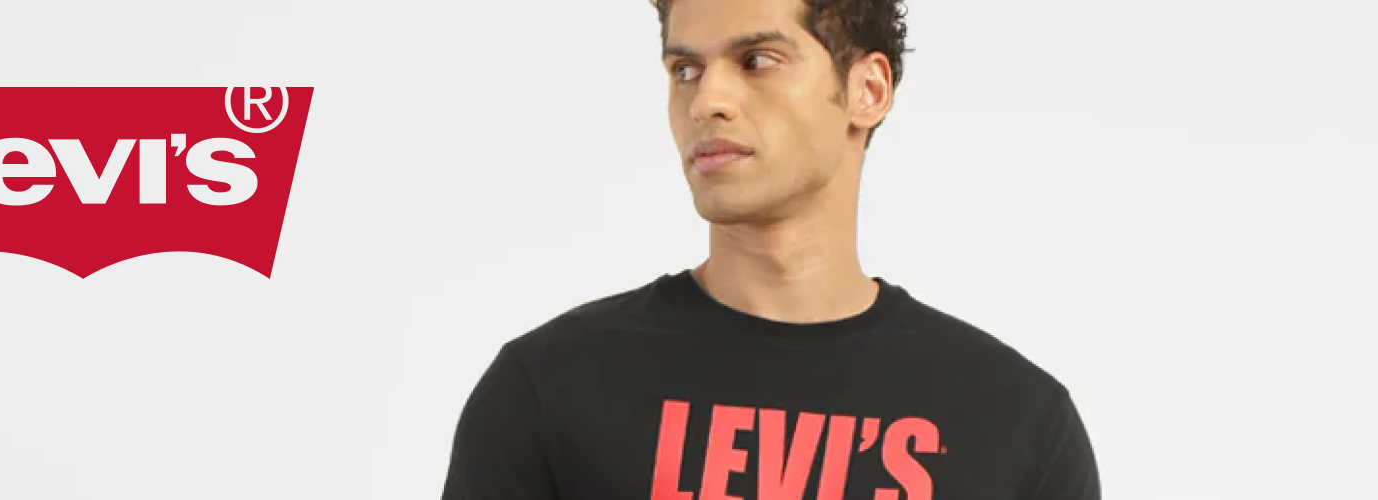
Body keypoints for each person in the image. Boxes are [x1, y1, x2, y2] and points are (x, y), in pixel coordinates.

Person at [439, 0, 1101, 498]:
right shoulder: (549, 392)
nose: (707, 101)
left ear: (867, 91)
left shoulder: (1013, 421)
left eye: (756, 60)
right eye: (686, 69)